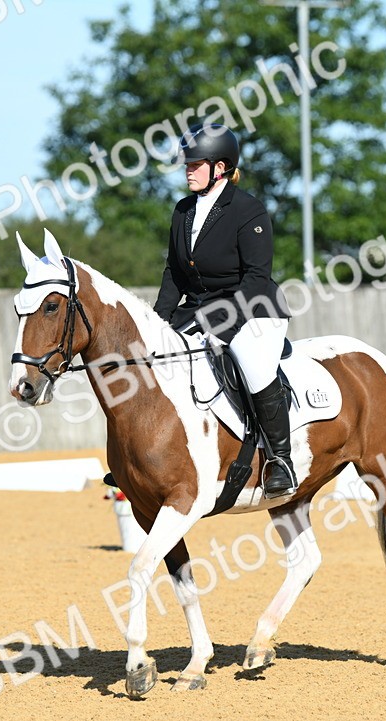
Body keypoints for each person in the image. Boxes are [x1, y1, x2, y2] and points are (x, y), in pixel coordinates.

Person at [154, 123, 297, 499]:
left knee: (252, 364)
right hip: (199, 308)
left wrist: (219, 324)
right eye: (186, 163)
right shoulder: (183, 210)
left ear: (220, 167)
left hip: (254, 308)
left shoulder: (248, 209)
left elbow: (255, 277)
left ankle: (281, 459)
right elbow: (174, 273)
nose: (187, 169)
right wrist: (156, 324)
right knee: (156, 360)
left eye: (195, 163)